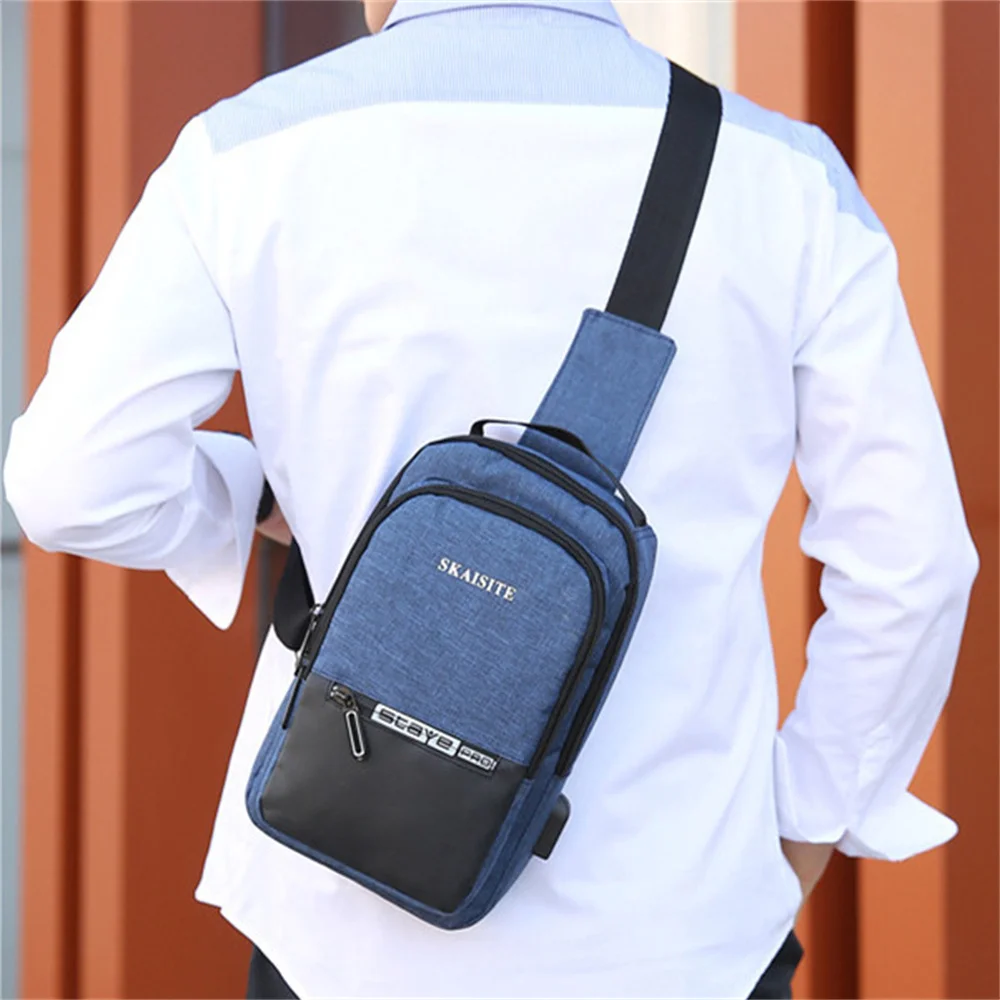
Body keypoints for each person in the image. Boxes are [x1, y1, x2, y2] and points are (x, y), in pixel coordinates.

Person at [3, 1, 978, 997]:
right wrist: (805, 827)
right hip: (680, 924)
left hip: (338, 916)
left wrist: (241, 502)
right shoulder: (784, 177)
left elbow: (71, 478)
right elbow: (913, 565)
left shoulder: (250, 151)